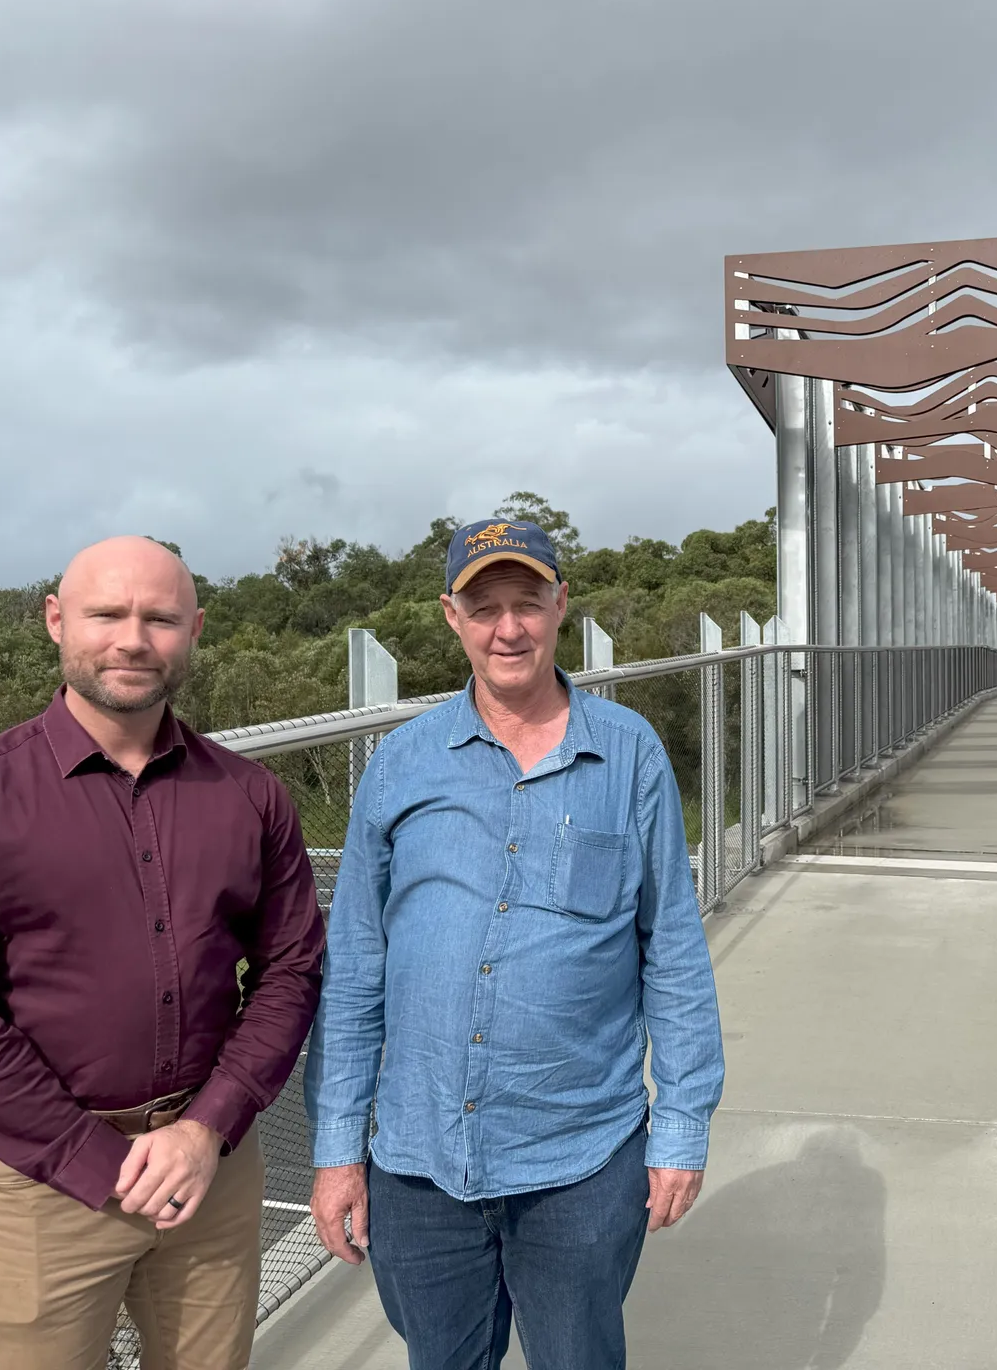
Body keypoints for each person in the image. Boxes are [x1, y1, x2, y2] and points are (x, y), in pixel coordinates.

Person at [0, 536, 326, 1370]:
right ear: (54, 621)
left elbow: (291, 969)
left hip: (208, 1175)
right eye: (106, 614)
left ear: (194, 630)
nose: (132, 639)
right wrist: (95, 1160)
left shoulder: (251, 797)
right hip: (42, 1187)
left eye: (159, 618)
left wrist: (206, 1129)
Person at [306, 518, 724, 1370]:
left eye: (527, 603)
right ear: (450, 617)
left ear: (560, 606)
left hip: (580, 1160)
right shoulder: (400, 764)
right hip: (420, 1166)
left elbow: (672, 952)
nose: (509, 628)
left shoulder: (629, 754)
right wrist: (338, 1151)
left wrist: (680, 1128)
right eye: (484, 606)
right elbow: (354, 969)